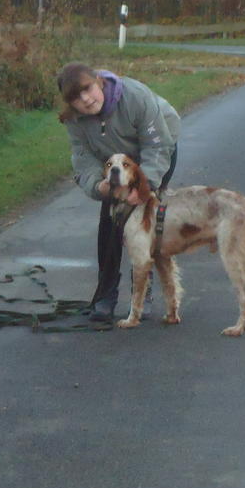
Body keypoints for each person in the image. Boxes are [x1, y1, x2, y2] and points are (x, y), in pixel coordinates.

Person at [57, 62, 180, 321]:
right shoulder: (74, 120)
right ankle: (105, 294)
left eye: (88, 89)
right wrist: (98, 186)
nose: (86, 100)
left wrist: (145, 189)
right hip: (115, 163)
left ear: (99, 82)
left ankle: (142, 292)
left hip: (157, 149)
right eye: (76, 98)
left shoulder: (135, 97)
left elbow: (157, 147)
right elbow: (83, 158)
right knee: (112, 220)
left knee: (144, 222)